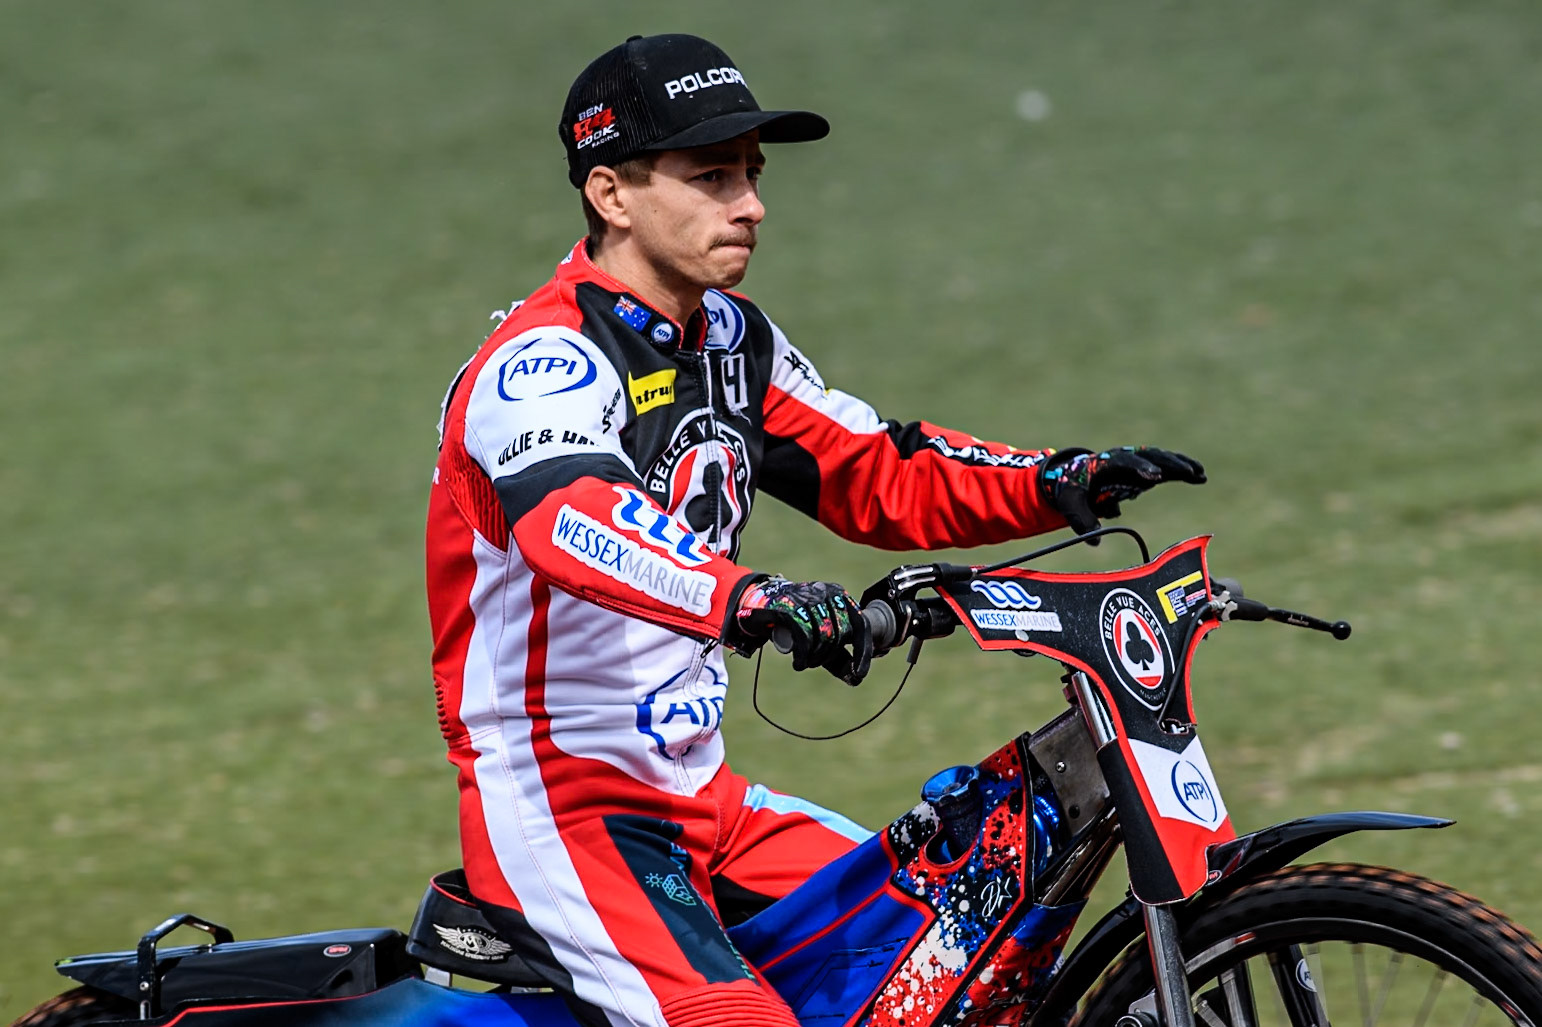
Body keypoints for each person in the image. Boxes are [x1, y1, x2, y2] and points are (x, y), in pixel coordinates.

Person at [424, 33, 1205, 1027]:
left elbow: (878, 469)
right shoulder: (544, 361)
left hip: (702, 802)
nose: (751, 204)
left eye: (750, 174)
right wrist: (747, 598)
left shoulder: (731, 340)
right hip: (563, 814)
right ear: (612, 195)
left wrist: (1055, 481)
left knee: (957, 945)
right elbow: (571, 521)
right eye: (711, 176)